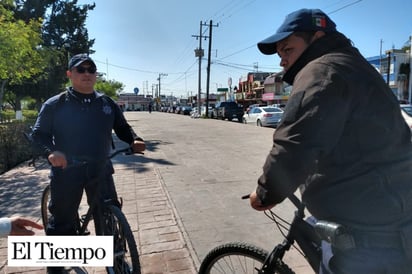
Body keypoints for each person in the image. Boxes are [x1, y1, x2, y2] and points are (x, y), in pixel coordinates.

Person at [249, 8, 412, 274]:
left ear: (317, 37)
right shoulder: (357, 67)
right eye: (280, 54)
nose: (282, 61)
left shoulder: (321, 72)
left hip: (365, 238)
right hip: (393, 216)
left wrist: (265, 194)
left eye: (287, 50)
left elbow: (294, 144)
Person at [31, 53, 146, 274]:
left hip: (100, 168)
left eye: (90, 70)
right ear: (70, 74)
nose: (86, 74)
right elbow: (39, 135)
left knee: (109, 218)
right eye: (80, 70)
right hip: (67, 171)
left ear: (96, 74)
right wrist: (51, 152)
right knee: (62, 222)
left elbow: (122, 127)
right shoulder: (55, 104)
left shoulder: (106, 103)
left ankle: (117, 261)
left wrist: (134, 139)